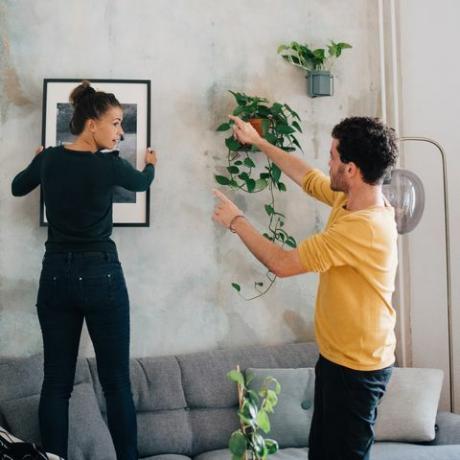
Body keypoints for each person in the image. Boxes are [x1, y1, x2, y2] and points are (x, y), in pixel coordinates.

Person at [213, 115, 399, 460]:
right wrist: (259, 142)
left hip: (358, 369)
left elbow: (282, 264)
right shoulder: (350, 202)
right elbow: (307, 178)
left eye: (332, 156)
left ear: (351, 169)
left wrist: (236, 221)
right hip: (336, 359)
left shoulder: (364, 227)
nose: (327, 162)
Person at [11, 80, 157, 460]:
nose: (120, 132)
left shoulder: (49, 161)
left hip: (55, 274)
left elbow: (16, 187)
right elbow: (141, 183)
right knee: (116, 385)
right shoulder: (109, 166)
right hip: (101, 273)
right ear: (91, 124)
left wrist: (38, 159)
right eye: (115, 123)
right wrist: (152, 165)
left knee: (56, 384)